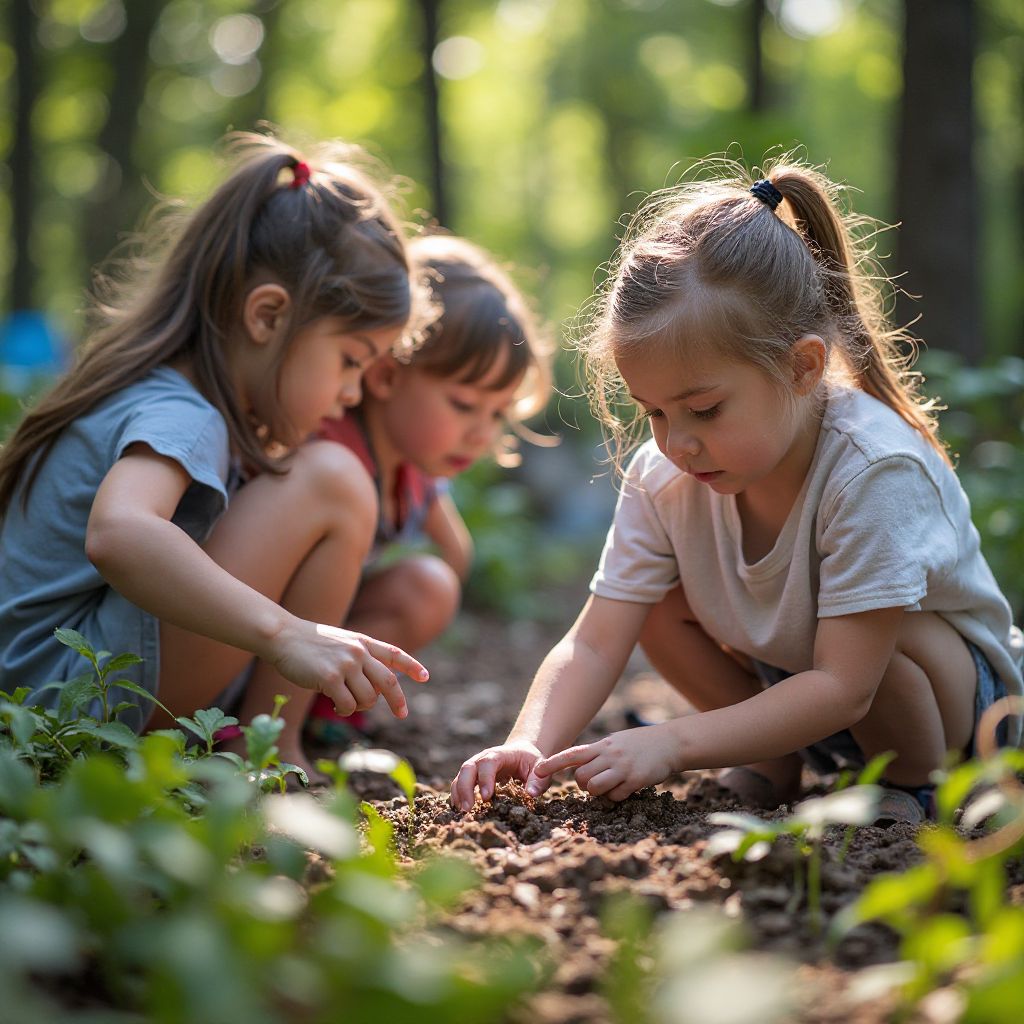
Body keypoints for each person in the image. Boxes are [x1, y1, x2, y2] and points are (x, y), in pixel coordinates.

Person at [451, 156, 1024, 825]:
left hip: (958, 718)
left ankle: (917, 789)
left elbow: (844, 686)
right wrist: (528, 741)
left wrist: (672, 744)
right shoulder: (666, 478)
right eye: (654, 412)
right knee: (652, 601)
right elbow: (597, 639)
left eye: (705, 410)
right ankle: (771, 761)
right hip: (798, 694)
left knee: (892, 637)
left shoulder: (872, 469)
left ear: (803, 367)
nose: (677, 443)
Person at [0, 133, 433, 779]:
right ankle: (266, 752)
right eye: (350, 361)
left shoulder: (163, 390)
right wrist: (285, 633)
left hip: (42, 692)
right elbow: (120, 532)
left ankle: (253, 741)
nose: (349, 395)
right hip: (68, 702)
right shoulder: (184, 412)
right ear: (267, 316)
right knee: (333, 481)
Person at [305, 232, 554, 745]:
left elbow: (455, 555)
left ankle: (326, 708)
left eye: (497, 413)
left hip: (323, 631)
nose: (482, 434)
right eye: (464, 405)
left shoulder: (417, 470)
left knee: (429, 585)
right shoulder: (327, 452)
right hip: (262, 633)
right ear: (386, 373)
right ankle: (266, 717)